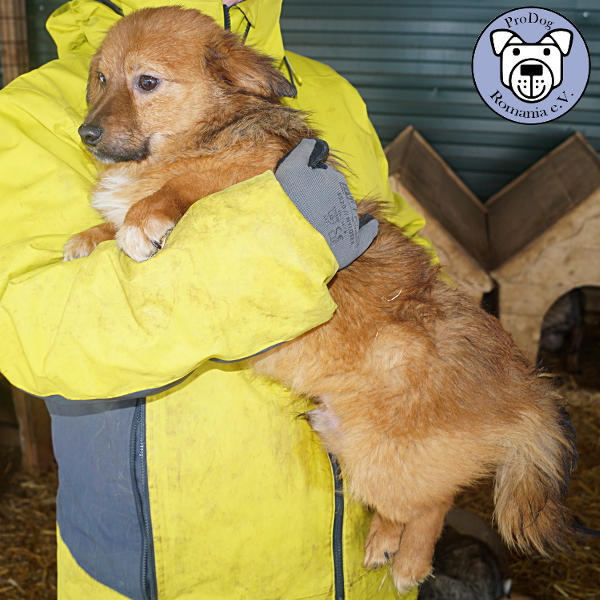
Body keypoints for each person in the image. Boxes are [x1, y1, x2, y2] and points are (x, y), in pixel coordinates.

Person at [0, 0, 431, 598]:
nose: (99, 109)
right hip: (167, 572)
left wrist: (464, 378)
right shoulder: (31, 109)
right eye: (102, 79)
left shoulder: (329, 89)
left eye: (146, 84)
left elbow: (407, 249)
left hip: (353, 563)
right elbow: (32, 334)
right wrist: (279, 245)